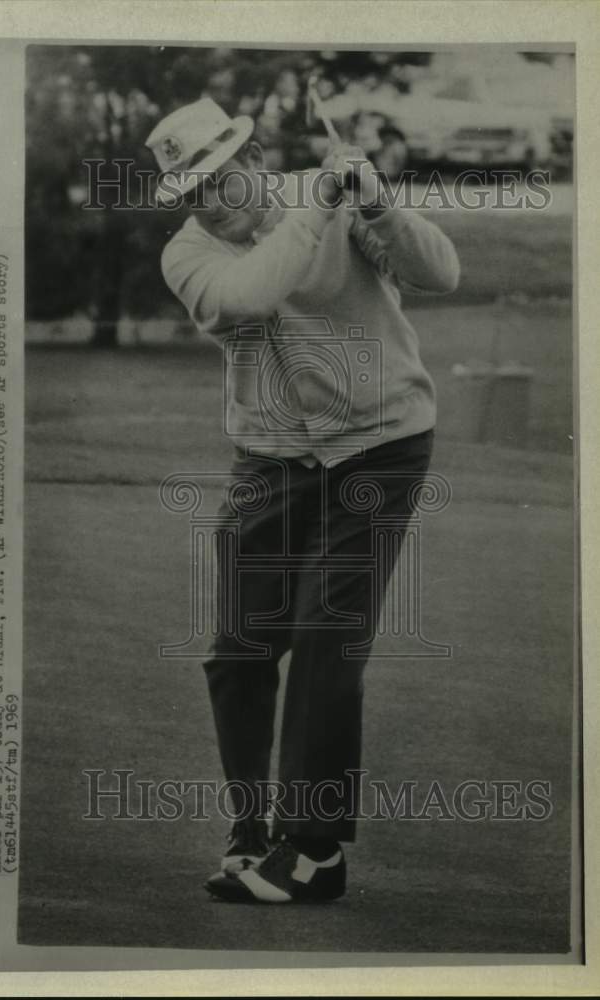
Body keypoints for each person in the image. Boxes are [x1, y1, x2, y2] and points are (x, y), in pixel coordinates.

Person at [145, 97, 459, 903]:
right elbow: (253, 293)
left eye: (218, 178)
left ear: (251, 159)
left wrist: (377, 203)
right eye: (191, 192)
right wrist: (321, 202)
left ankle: (313, 852)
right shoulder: (187, 256)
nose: (210, 200)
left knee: (327, 638)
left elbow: (440, 273)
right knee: (238, 651)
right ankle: (251, 833)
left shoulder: (333, 196)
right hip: (270, 457)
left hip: (380, 443)